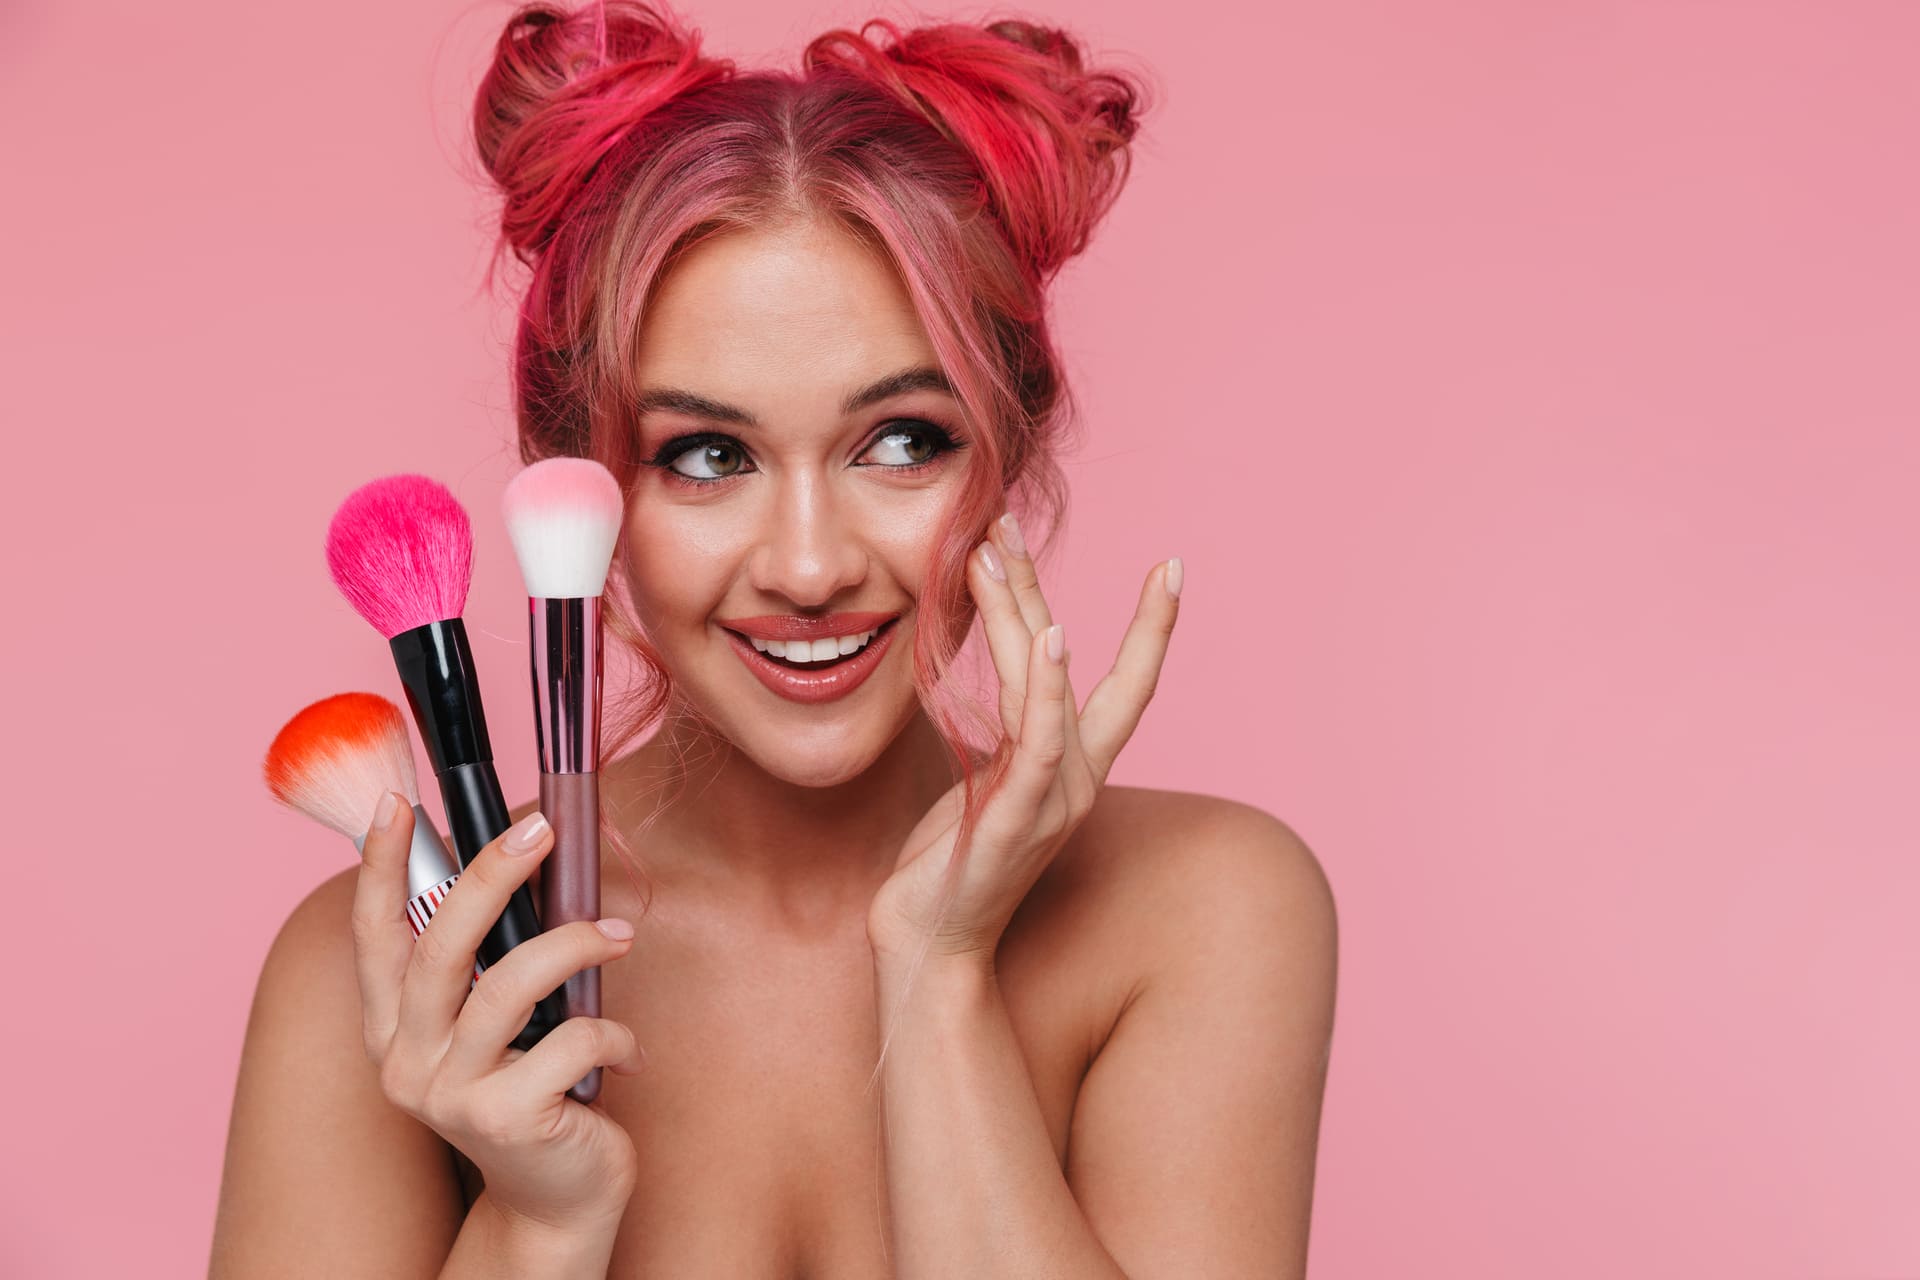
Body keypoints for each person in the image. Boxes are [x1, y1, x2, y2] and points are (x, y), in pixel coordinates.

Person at [211, 3, 1337, 1275]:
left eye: (902, 439)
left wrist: (938, 969)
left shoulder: (1200, 910)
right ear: (580, 488)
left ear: (1008, 449)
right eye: (707, 456)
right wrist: (535, 1216)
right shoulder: (377, 979)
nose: (809, 565)